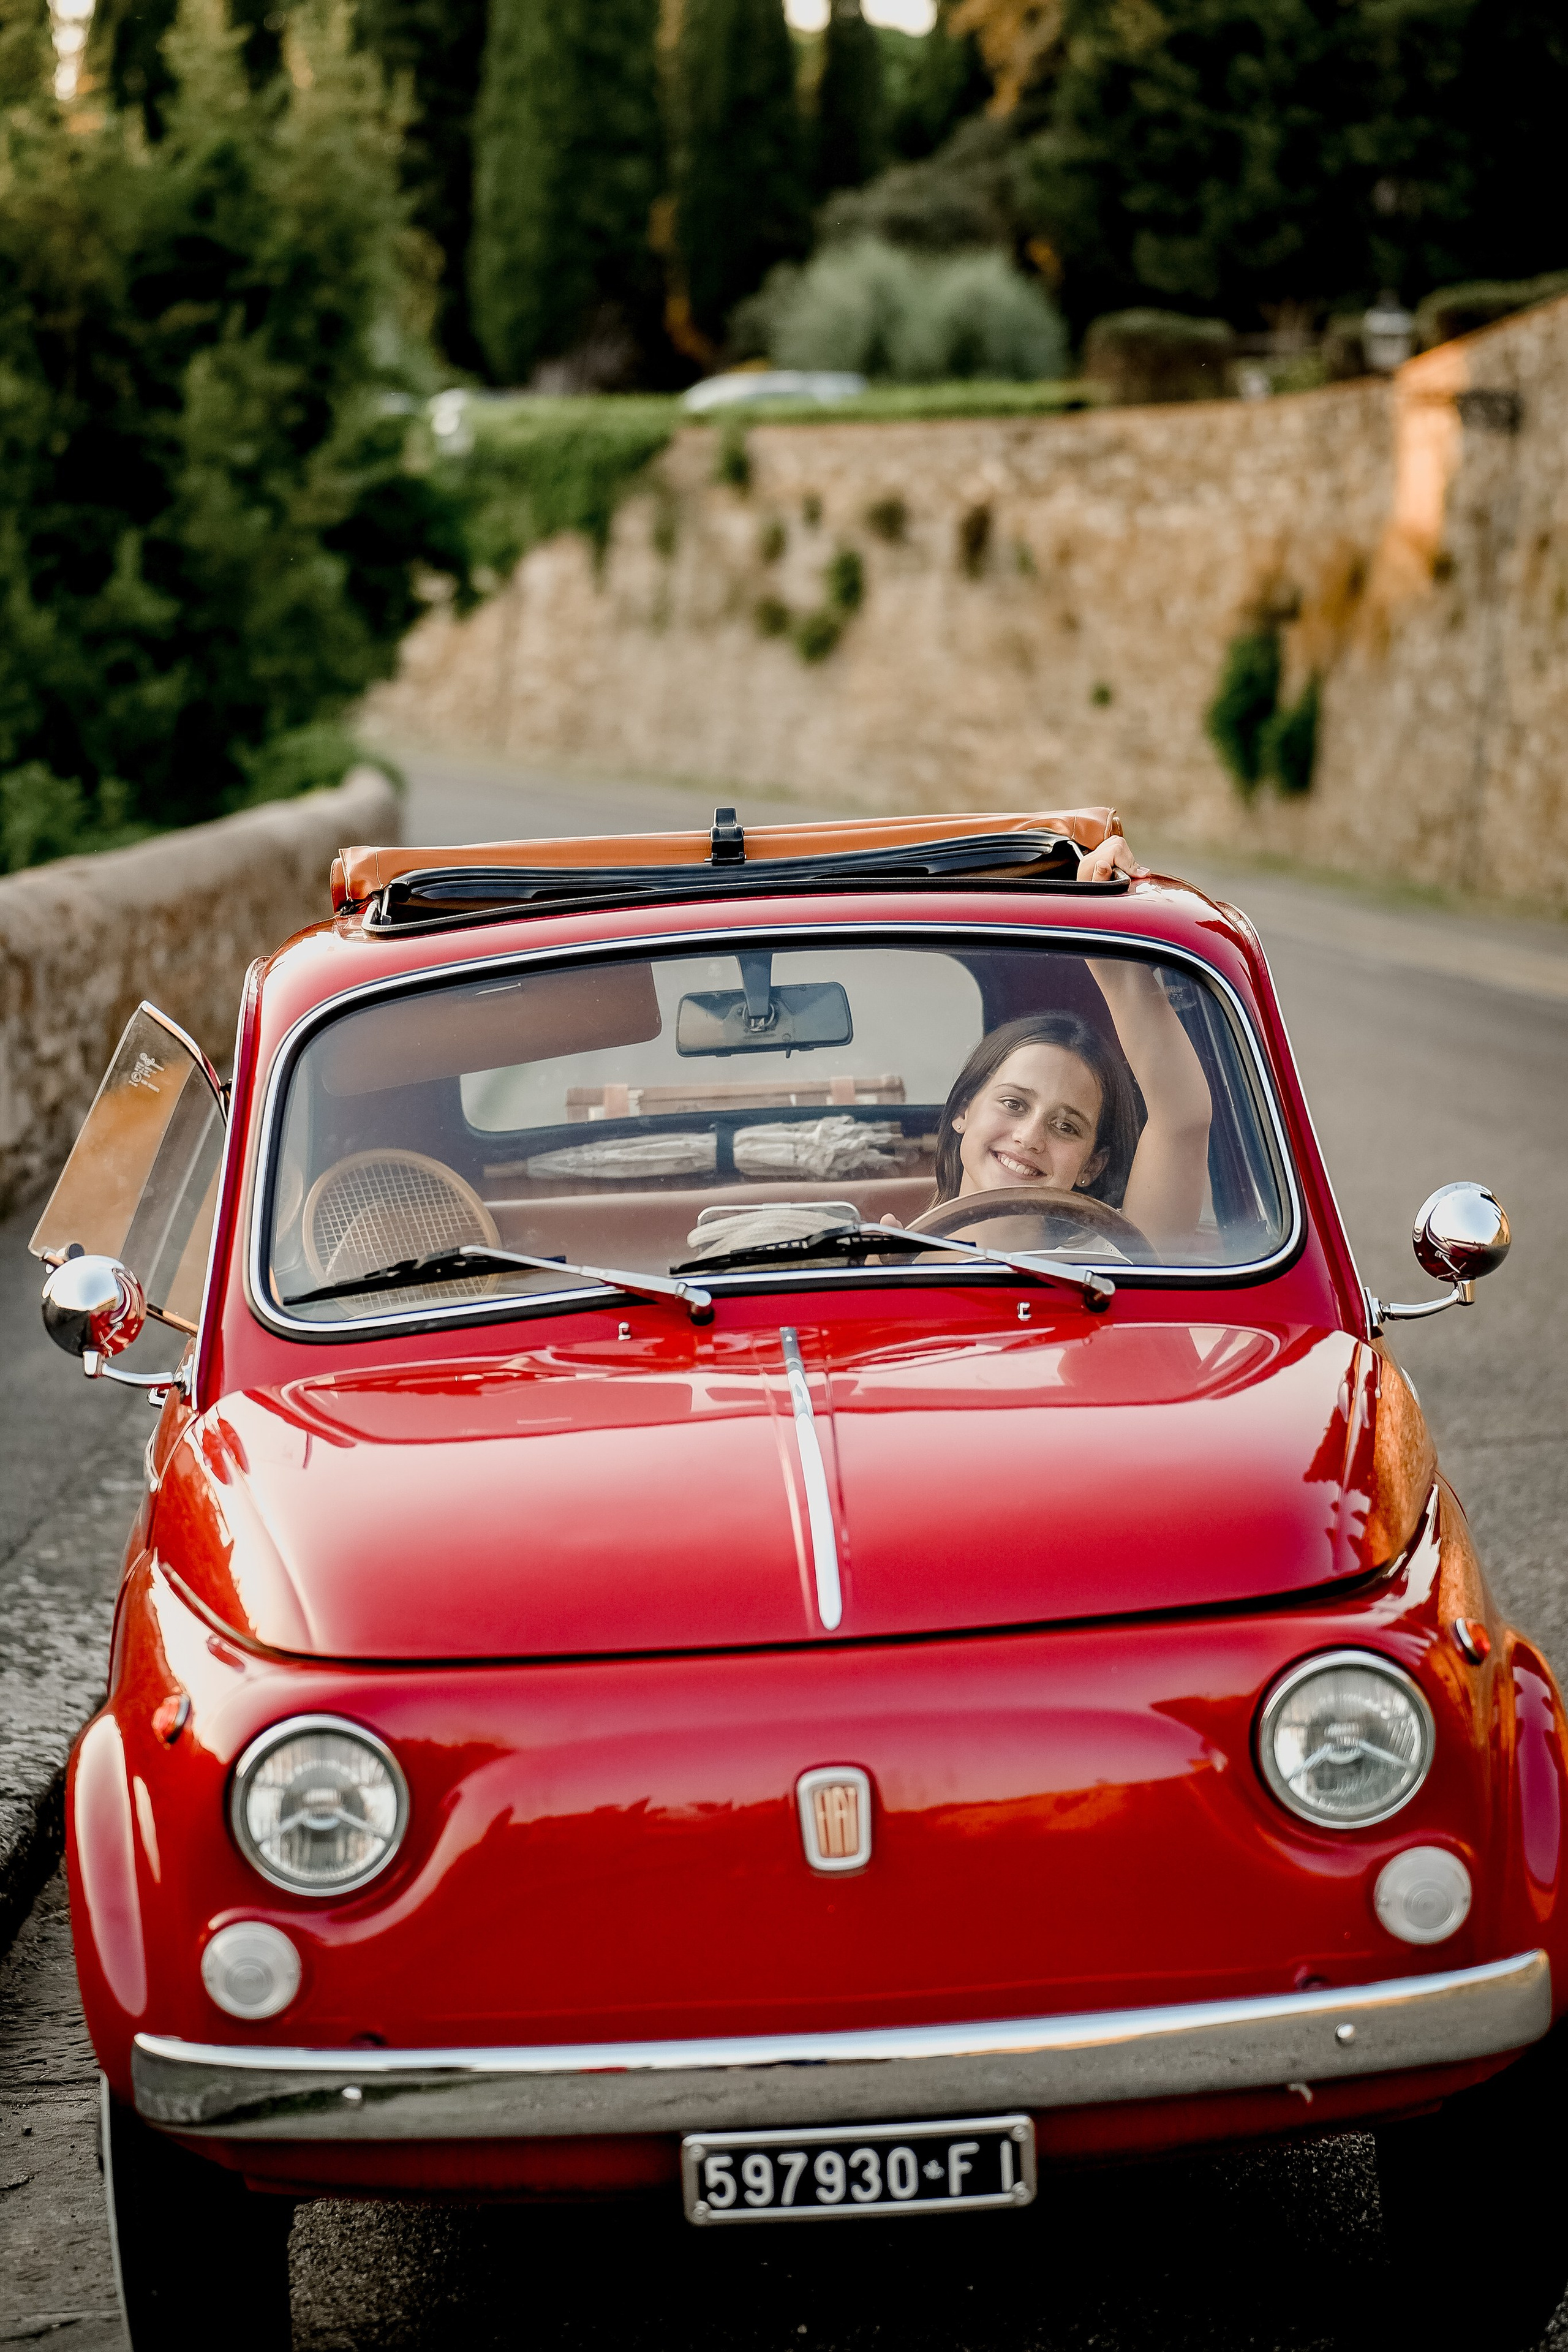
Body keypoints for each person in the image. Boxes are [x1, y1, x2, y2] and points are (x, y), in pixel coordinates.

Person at [916, 829, 1213, 1253]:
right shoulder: (880, 1263)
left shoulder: (1117, 1262)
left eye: (1066, 1126)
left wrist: (1100, 907)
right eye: (1014, 1103)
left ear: (1091, 1165)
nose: (1030, 1137)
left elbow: (1183, 1119)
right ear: (964, 1110)